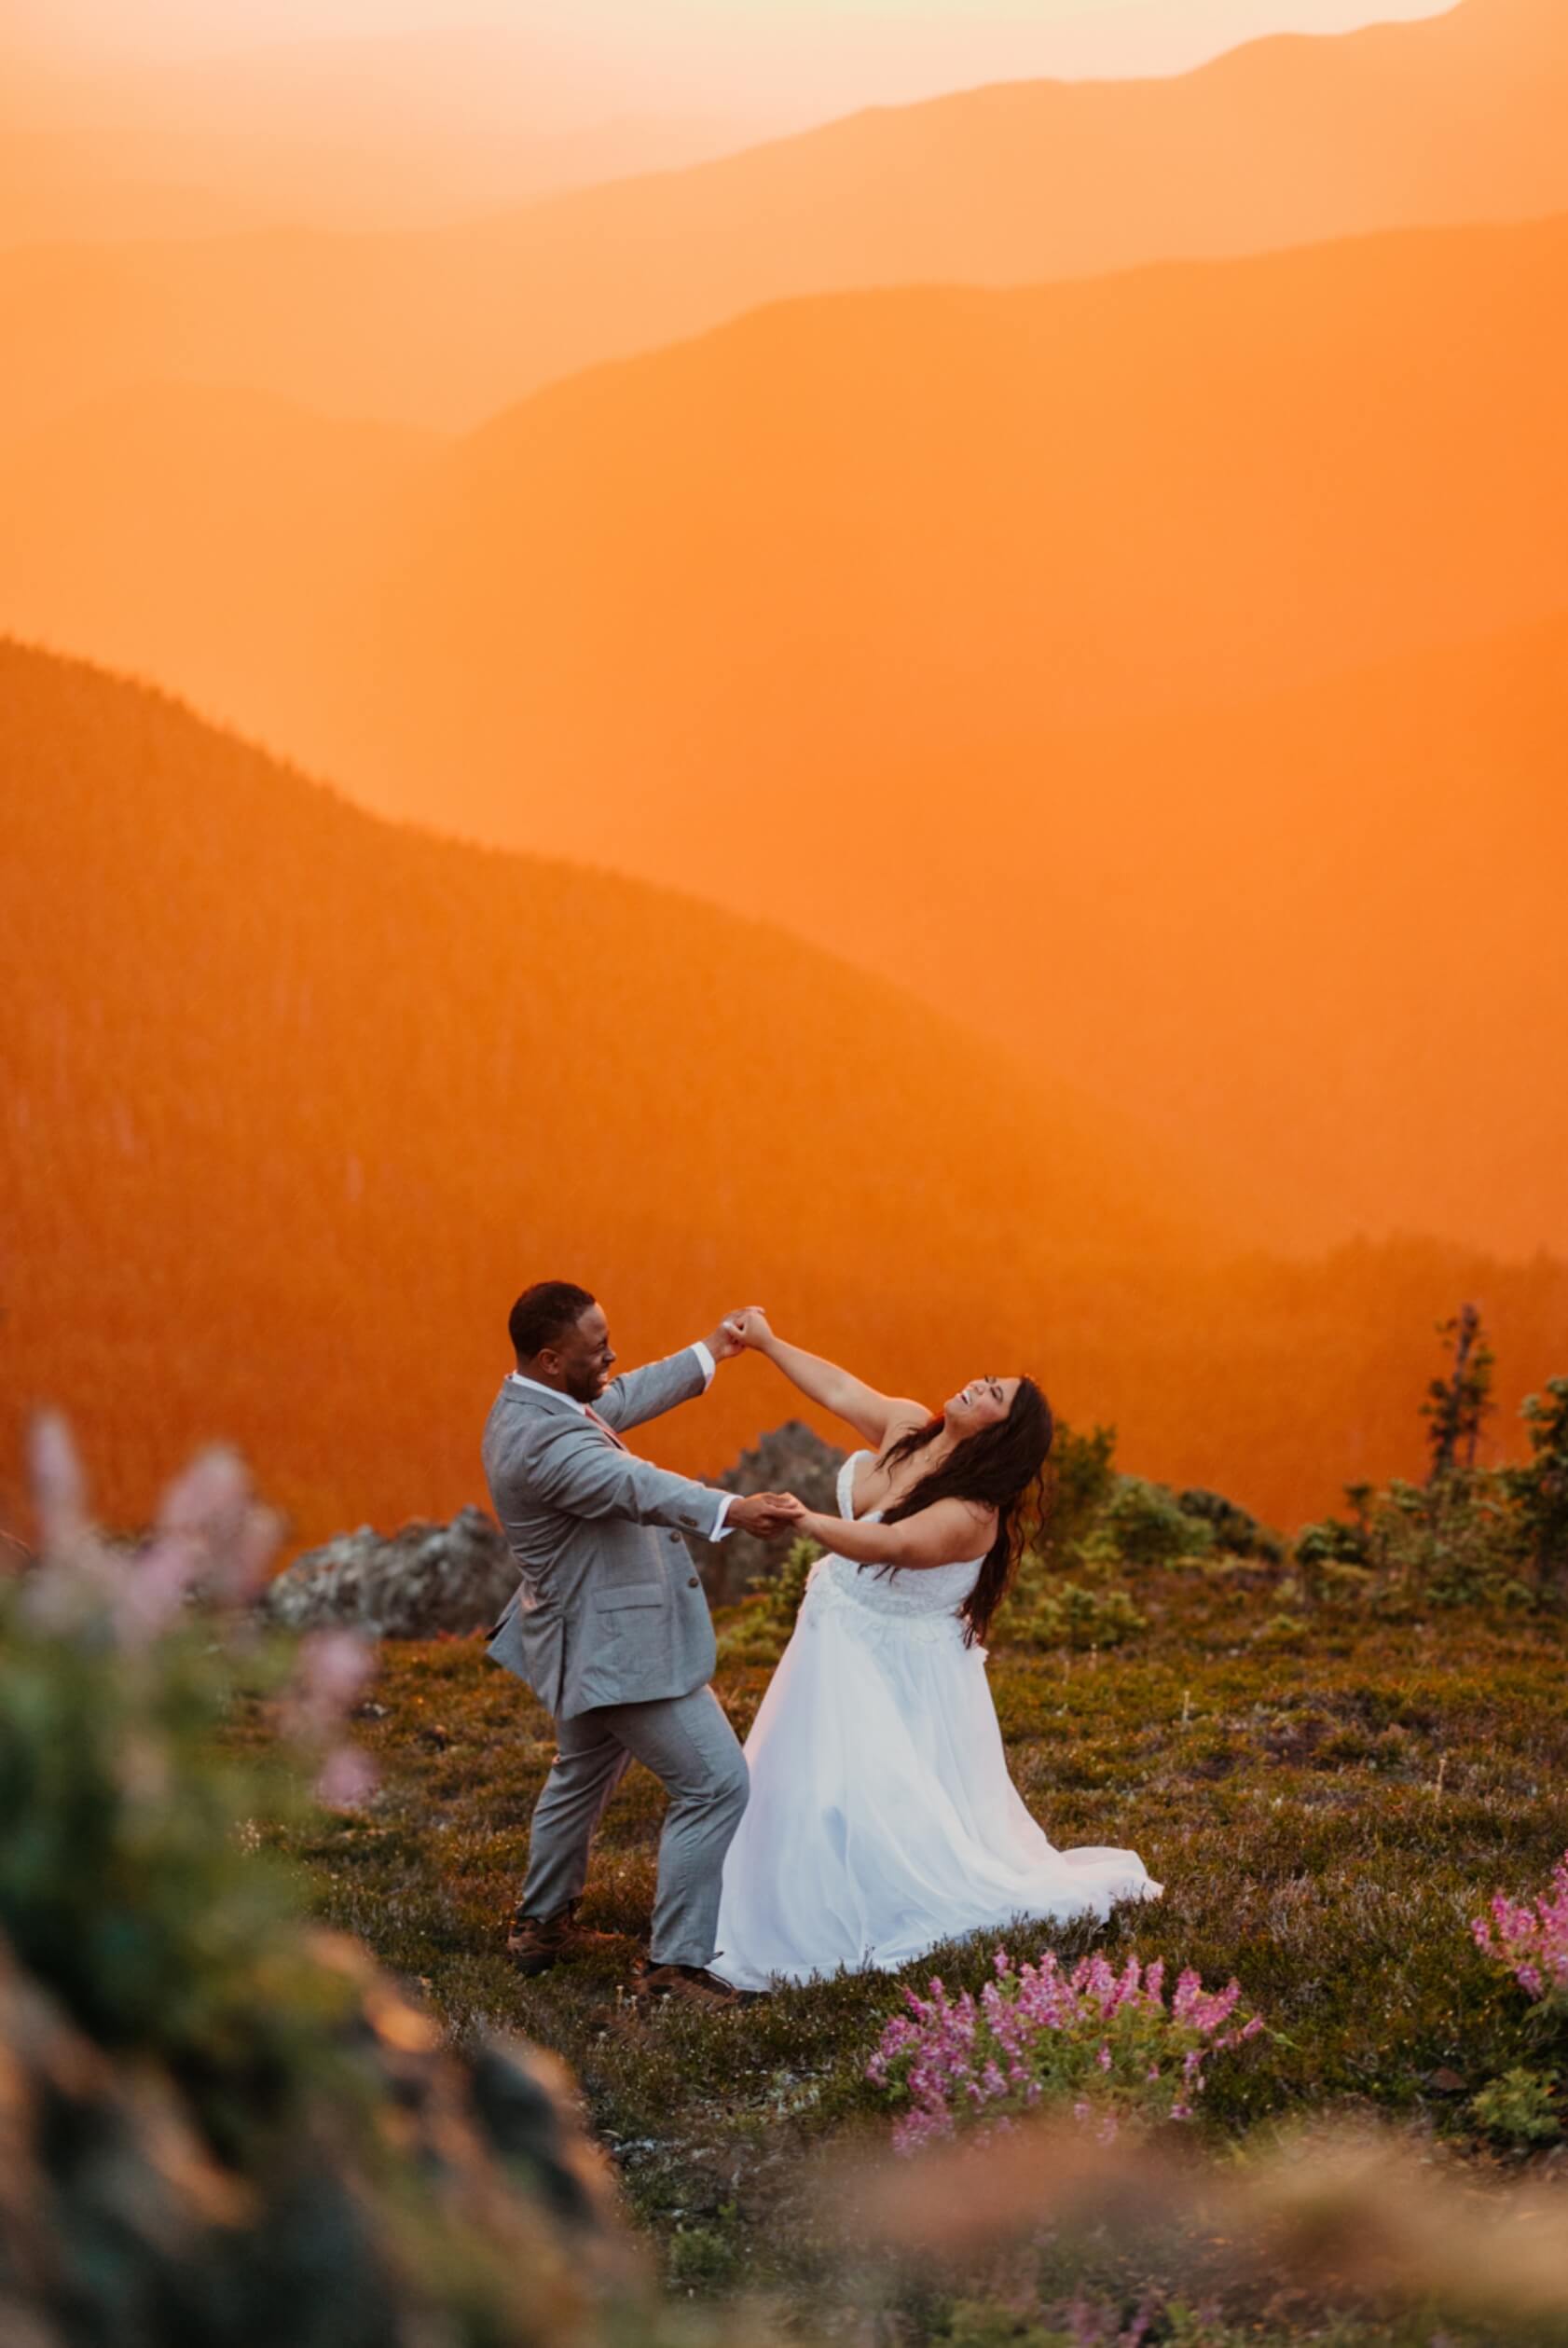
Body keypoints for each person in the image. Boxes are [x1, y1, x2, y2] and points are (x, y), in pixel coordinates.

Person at [712, 1311, 1161, 1992]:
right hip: (832, 1645)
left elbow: (891, 1545)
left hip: (886, 1668)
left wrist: (806, 1519)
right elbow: (837, 1389)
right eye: (986, 1380)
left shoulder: (972, 1515)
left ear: (1001, 1435)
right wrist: (768, 1343)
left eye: (993, 1396)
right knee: (798, 1781)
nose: (976, 1387)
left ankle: (834, 1916)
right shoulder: (906, 1429)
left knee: (856, 1794)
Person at [483, 1280, 793, 2007]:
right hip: (617, 1647)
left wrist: (712, 1351)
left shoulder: (535, 1402)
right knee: (715, 1784)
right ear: (554, 1359)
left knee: (580, 1774)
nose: (611, 1356)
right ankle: (674, 1972)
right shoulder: (545, 1445)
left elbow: (617, 1401)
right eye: (597, 1349)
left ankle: (541, 1927)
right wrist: (732, 1510)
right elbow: (633, 1483)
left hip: (579, 1636)